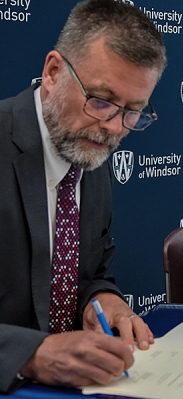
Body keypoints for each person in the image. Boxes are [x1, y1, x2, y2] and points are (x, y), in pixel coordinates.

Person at [0, 0, 167, 393]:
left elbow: (88, 275)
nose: (113, 128)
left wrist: (104, 299)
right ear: (54, 72)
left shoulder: (89, 149)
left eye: (133, 112)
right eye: (102, 100)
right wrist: (31, 354)